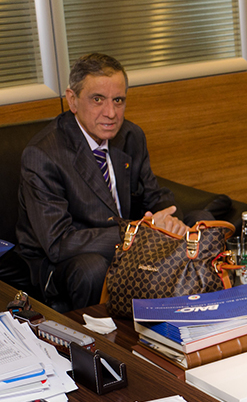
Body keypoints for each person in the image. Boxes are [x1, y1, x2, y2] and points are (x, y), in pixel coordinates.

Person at [17, 53, 194, 309]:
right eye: (97, 99)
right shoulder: (43, 155)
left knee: (199, 220)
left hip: (125, 242)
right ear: (72, 100)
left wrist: (170, 220)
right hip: (64, 260)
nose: (111, 113)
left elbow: (153, 195)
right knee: (93, 269)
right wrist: (137, 233)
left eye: (118, 100)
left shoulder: (130, 136)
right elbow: (58, 243)